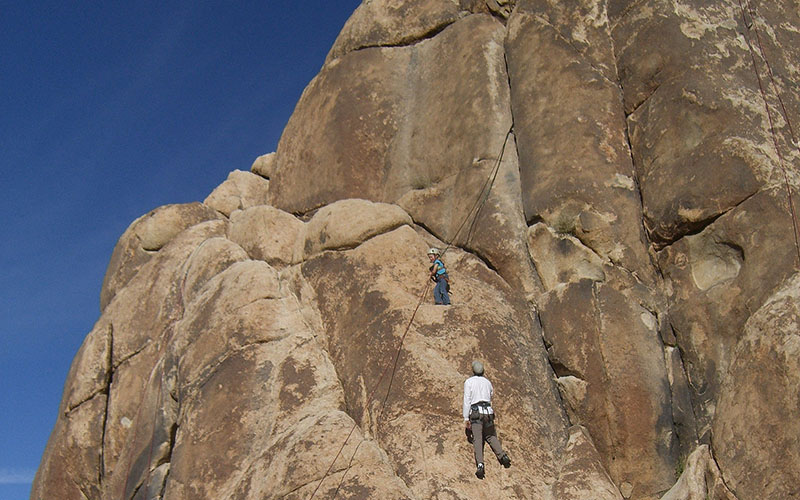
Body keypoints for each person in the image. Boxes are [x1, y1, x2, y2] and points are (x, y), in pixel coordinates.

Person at [463, 360, 511, 479]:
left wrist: (466, 417)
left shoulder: (469, 382)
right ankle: (502, 456)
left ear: (473, 370)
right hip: (488, 412)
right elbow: (490, 395)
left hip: (476, 413)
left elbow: (467, 400)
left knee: (478, 439)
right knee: (491, 436)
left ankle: (480, 465)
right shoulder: (487, 382)